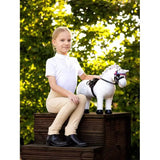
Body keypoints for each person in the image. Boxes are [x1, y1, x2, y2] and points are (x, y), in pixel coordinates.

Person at [45, 27, 100, 147]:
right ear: (54, 42)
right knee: (73, 101)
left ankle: (70, 133)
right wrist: (70, 94)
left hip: (69, 99)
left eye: (69, 40)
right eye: (62, 40)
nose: (66, 43)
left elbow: (84, 77)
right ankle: (52, 133)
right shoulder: (51, 61)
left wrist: (101, 77)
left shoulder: (74, 61)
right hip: (54, 100)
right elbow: (53, 85)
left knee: (82, 98)